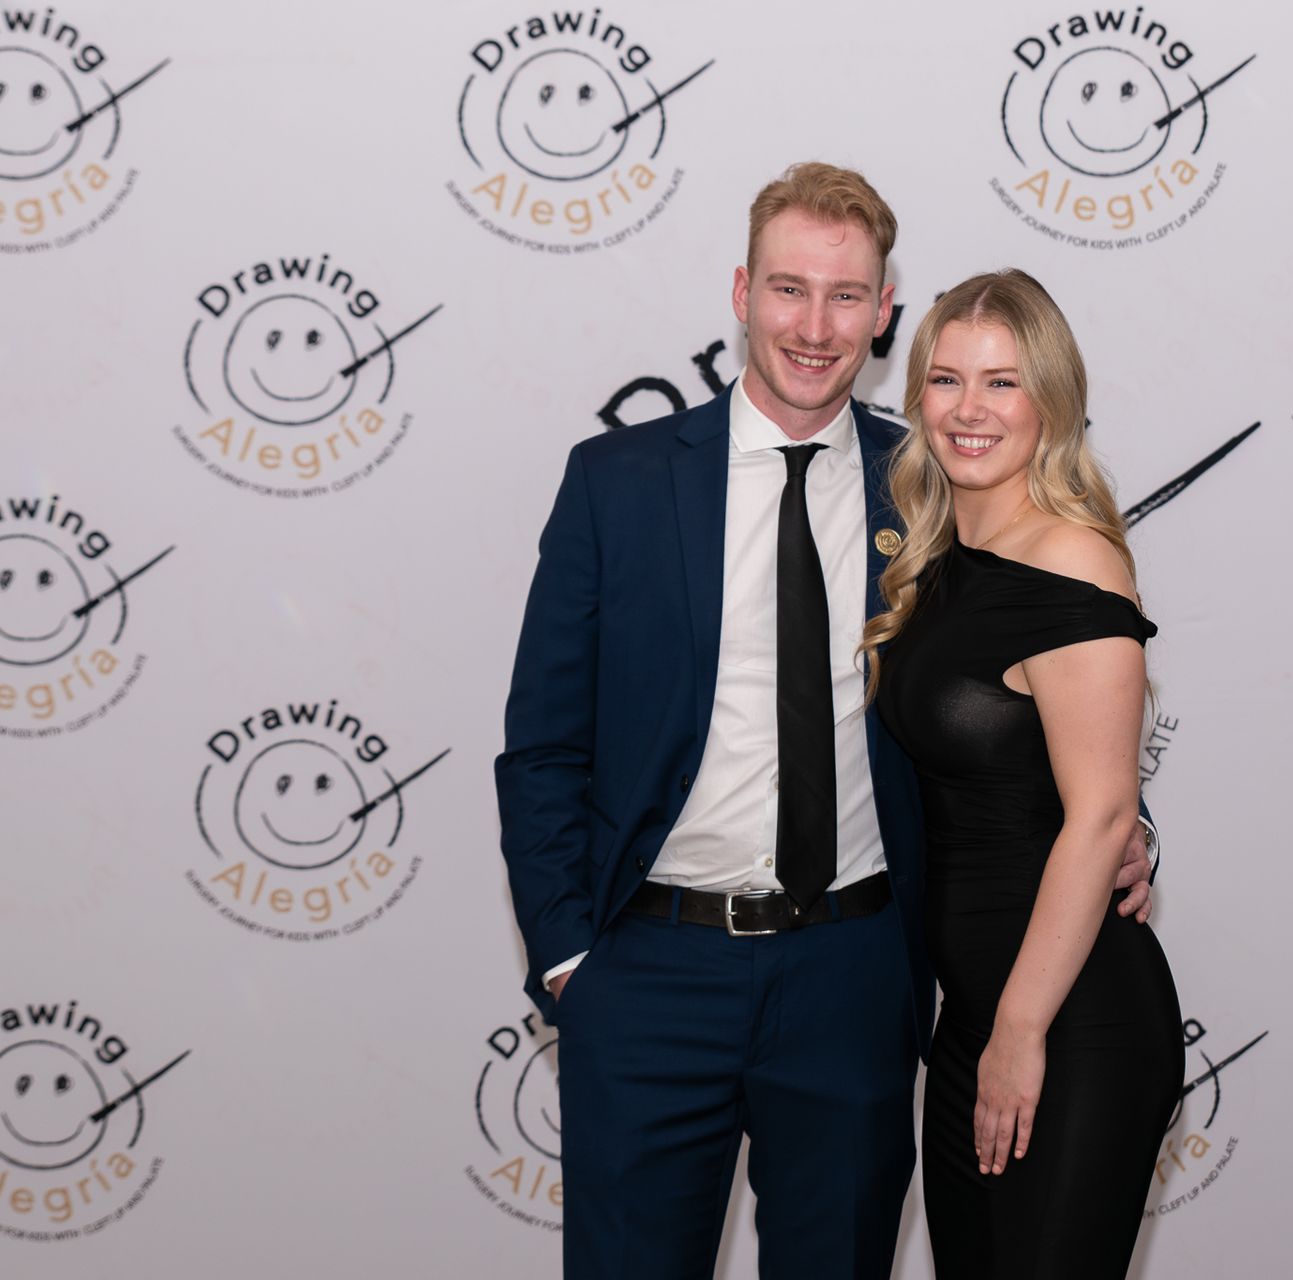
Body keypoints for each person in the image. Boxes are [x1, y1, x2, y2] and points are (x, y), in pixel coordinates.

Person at [494, 164, 1158, 1280]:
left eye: (846, 296)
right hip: (652, 973)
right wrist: (570, 959)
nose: (814, 327)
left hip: (854, 979)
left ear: (884, 311)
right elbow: (544, 743)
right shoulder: (619, 482)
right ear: (742, 292)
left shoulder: (934, 484)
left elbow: (1020, 694)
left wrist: (1119, 827)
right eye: (790, 290)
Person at [864, 270, 1184, 1278]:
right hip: (973, 1016)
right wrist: (990, 1029)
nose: (970, 409)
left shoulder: (1074, 561)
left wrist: (1019, 1028)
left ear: (1050, 399)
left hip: (1070, 1019)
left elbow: (1100, 816)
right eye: (946, 379)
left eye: (1002, 382)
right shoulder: (939, 555)